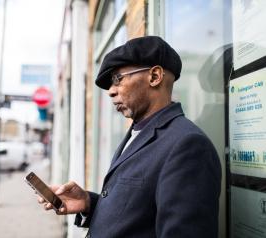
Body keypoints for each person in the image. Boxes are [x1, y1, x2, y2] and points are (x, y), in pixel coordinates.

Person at [38, 36, 221, 238]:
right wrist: (89, 203)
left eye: (117, 79)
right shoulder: (138, 132)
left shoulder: (188, 145)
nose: (110, 91)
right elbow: (139, 214)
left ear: (154, 76)